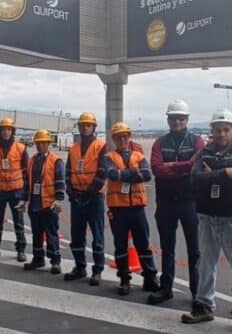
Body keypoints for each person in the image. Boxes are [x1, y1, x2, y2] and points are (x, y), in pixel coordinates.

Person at [182, 110, 232, 334]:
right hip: (207, 216)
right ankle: (204, 305)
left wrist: (213, 174)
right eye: (217, 130)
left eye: (226, 130)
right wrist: (226, 174)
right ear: (212, 131)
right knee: (206, 263)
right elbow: (195, 178)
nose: (222, 134)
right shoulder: (204, 152)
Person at [149, 99, 205, 306]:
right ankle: (166, 288)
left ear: (187, 120)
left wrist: (171, 166)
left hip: (190, 202)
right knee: (167, 248)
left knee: (194, 250)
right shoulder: (159, 143)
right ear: (168, 120)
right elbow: (156, 168)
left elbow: (196, 165)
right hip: (166, 203)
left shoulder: (197, 141)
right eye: (173, 118)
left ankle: (197, 292)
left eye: (180, 118)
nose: (177, 122)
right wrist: (184, 168)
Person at [103, 122, 160, 296]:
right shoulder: (109, 157)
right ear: (114, 139)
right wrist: (134, 173)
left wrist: (124, 175)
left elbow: (147, 175)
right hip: (117, 209)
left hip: (137, 208)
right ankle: (124, 279)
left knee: (143, 244)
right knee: (120, 245)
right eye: (118, 137)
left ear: (129, 137)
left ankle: (150, 277)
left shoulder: (139, 156)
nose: (122, 140)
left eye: (125, 136)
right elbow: (112, 174)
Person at [64, 112, 106, 286]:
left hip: (94, 198)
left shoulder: (101, 146)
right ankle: (80, 266)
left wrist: (89, 193)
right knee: (76, 235)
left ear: (94, 127)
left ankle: (97, 270)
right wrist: (71, 192)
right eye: (82, 125)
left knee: (97, 235)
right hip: (77, 197)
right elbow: (68, 172)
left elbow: (102, 173)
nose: (85, 128)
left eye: (88, 125)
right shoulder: (73, 149)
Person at [0, 116, 27, 262]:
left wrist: (23, 191)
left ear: (13, 131)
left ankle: (21, 250)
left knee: (18, 222)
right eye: (3, 129)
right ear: (0, 131)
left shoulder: (21, 148)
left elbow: (25, 169)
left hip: (17, 191)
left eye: (9, 129)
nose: (6, 132)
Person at [23, 129, 65, 274]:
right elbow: (27, 183)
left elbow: (60, 182)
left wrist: (58, 199)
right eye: (38, 143)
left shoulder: (56, 160)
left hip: (49, 204)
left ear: (48, 143)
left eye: (43, 143)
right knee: (36, 233)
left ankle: (55, 261)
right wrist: (24, 200)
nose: (40, 145)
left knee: (51, 233)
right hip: (34, 204)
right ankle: (38, 259)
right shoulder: (31, 161)